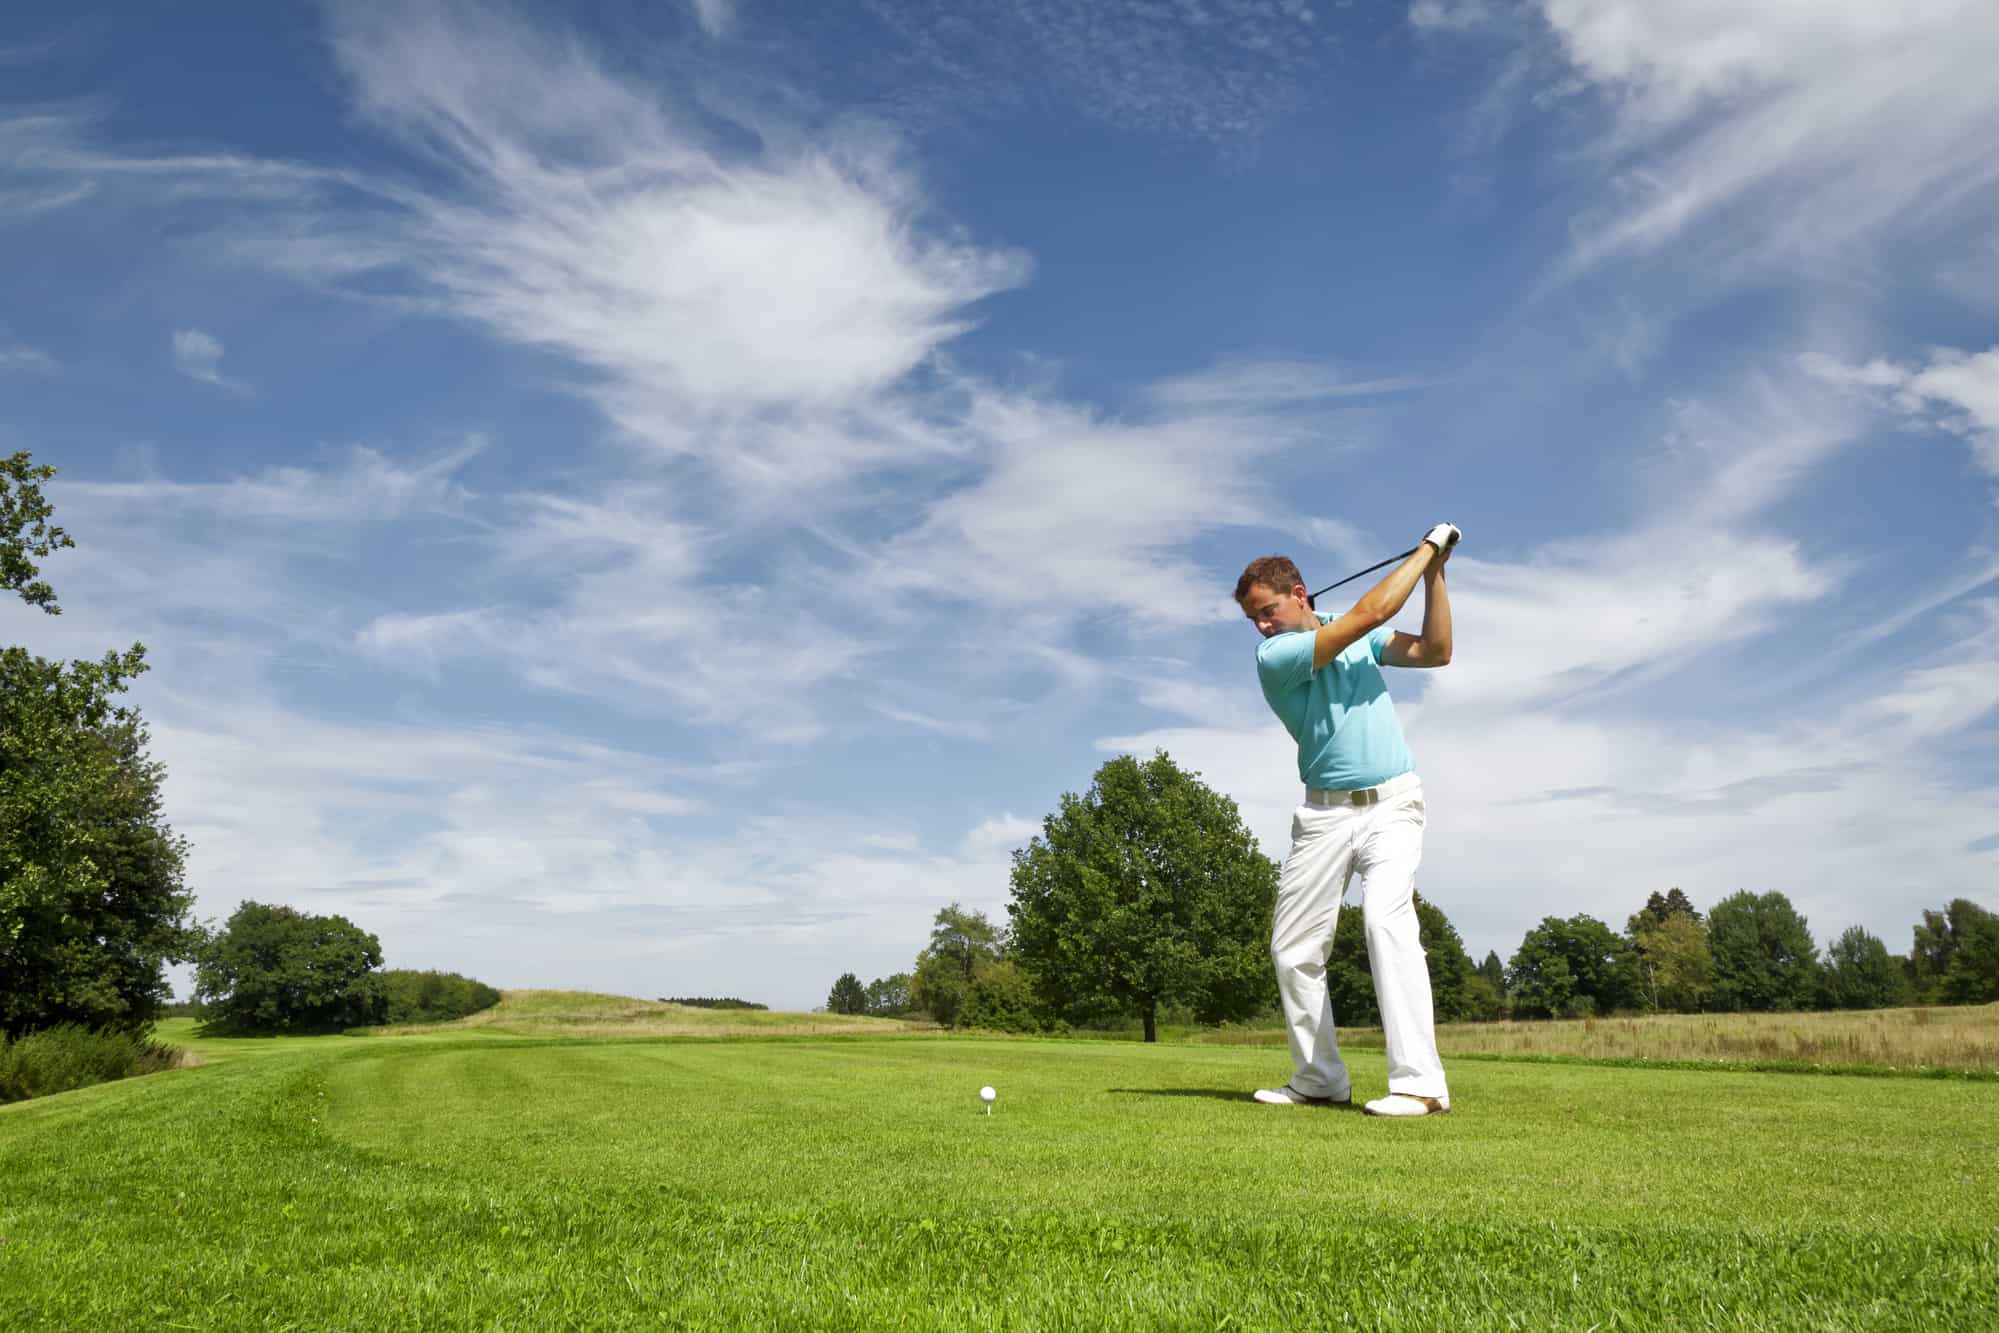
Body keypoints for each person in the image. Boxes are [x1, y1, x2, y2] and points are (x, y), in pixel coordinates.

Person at [1234, 524, 1459, 1117]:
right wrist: (1428, 549)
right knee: (1293, 951)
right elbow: (1371, 610)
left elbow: (1436, 651)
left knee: (1387, 925)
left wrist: (1436, 576)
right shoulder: (1276, 655)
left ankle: (1420, 1085)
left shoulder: (1351, 630)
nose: (1261, 625)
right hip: (1322, 816)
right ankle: (1319, 1079)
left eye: (1267, 610)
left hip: (1392, 805)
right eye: (1253, 618)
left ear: (1299, 594)